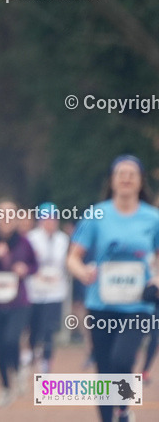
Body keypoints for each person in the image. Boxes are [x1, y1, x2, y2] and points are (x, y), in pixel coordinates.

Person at [68, 155, 159, 422]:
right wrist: (82, 271)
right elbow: (73, 257)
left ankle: (123, 406)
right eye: (121, 173)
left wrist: (156, 278)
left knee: (122, 360)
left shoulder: (153, 218)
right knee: (105, 370)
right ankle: (111, 417)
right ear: (112, 180)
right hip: (100, 304)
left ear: (141, 181)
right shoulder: (96, 215)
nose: (126, 178)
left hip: (138, 305)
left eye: (132, 173)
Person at [0, 198, 38, 408]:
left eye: (11, 214)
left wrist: (25, 270)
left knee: (12, 339)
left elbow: (34, 265)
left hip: (18, 300)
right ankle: (5, 388)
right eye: (2, 214)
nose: (7, 218)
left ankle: (19, 371)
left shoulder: (24, 242)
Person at [26, 202, 69, 373]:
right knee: (34, 326)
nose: (50, 222)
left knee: (49, 328)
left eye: (53, 219)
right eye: (46, 219)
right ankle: (31, 352)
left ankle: (46, 360)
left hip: (55, 291)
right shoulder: (31, 238)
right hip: (35, 291)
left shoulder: (63, 239)